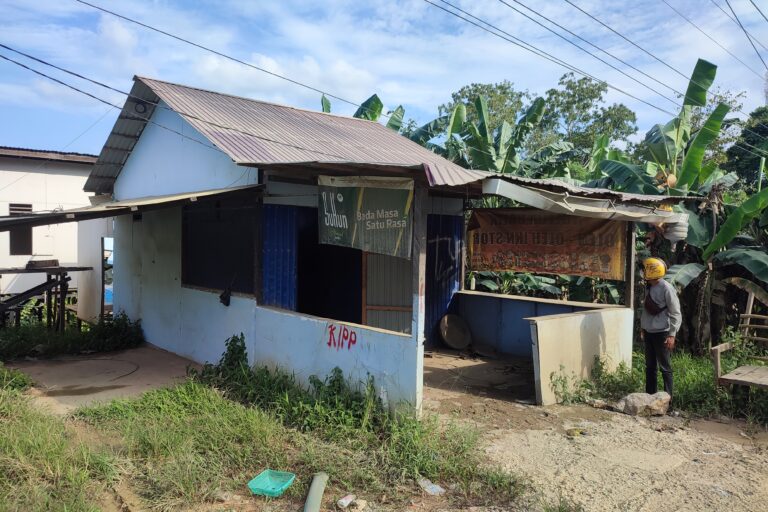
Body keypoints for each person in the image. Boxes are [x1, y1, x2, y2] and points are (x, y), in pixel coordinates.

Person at [640, 257, 682, 397]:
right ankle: (650, 396)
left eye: (645, 269)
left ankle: (668, 399)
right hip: (649, 332)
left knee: (665, 368)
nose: (643, 272)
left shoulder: (667, 288)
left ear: (652, 271)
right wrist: (643, 328)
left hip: (662, 333)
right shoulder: (649, 287)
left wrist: (672, 335)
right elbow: (646, 311)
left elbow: (676, 313)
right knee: (650, 367)